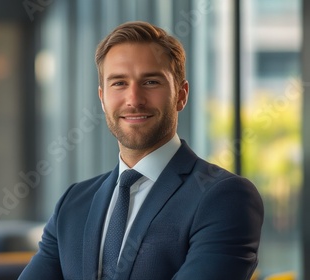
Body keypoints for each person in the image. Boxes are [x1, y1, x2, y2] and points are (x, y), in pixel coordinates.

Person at [19, 21, 263, 280]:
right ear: (102, 98)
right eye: (119, 83)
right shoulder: (74, 203)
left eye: (150, 81)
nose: (134, 99)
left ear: (181, 94)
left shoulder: (224, 197)